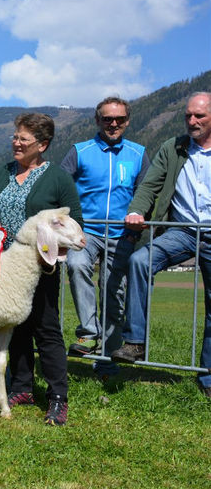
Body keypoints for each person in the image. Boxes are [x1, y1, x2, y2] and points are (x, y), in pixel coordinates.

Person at [0, 112, 83, 426]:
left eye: (24, 139)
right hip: (1, 266)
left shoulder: (58, 179)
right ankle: (21, 387)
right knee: (14, 327)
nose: (16, 143)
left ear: (43, 144)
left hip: (41, 269)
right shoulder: (1, 173)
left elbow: (74, 219)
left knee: (46, 329)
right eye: (15, 137)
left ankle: (57, 397)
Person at [111, 92, 211, 399]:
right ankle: (135, 342)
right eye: (188, 116)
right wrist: (136, 210)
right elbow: (150, 185)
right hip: (181, 230)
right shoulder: (174, 147)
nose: (192, 121)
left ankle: (207, 381)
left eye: (199, 116)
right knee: (141, 261)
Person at [60, 97, 149, 376]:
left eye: (119, 119)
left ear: (127, 122)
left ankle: (109, 360)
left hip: (122, 235)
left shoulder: (138, 153)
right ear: (97, 121)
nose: (113, 124)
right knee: (75, 265)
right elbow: (62, 186)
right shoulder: (80, 151)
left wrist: (138, 225)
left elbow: (145, 193)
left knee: (115, 293)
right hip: (86, 231)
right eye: (107, 119)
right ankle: (88, 332)